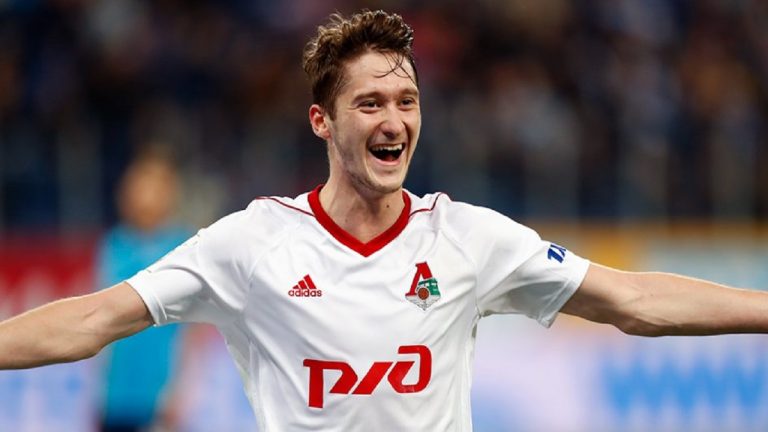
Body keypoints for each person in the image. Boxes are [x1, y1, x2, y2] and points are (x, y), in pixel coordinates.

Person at [1, 10, 768, 431]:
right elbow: (93, 319)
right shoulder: (251, 243)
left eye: (406, 101)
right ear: (322, 122)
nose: (393, 119)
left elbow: (634, 301)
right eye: (369, 103)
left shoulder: (469, 238)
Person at [95, 152, 191, 431]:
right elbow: (98, 319)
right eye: (138, 187)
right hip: (114, 396)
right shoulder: (114, 245)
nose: (144, 197)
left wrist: (180, 390)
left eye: (153, 188)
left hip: (158, 398)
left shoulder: (183, 247)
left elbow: (192, 332)